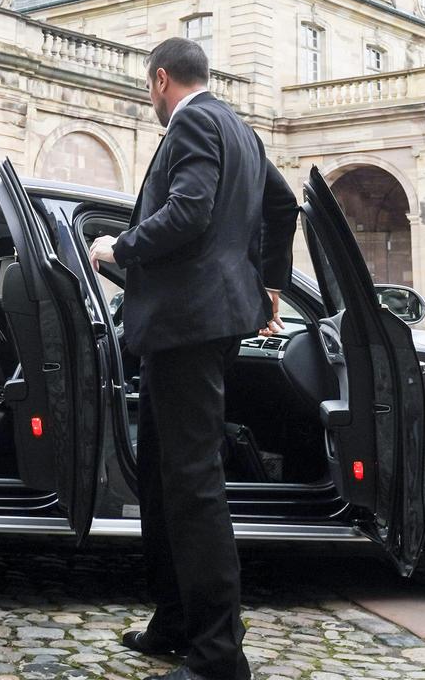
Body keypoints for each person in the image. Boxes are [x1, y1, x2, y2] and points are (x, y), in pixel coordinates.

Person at [88, 36, 298, 680]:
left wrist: (117, 249)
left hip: (186, 324)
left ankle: (218, 653)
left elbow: (189, 211)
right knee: (160, 471)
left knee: (193, 483)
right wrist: (266, 284)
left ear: (158, 81)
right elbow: (283, 206)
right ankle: (176, 619)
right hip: (194, 323)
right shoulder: (241, 129)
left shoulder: (195, 122)